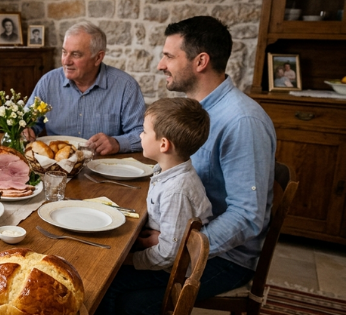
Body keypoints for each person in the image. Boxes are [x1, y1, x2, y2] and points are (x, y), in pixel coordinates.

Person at [97, 16, 276, 314]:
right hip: (183, 233)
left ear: (200, 61)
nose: (160, 64)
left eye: (168, 56)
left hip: (226, 258)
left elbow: (248, 216)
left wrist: (182, 244)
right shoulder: (193, 113)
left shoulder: (242, 122)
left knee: (107, 283)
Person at [100, 97, 213, 313]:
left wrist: (129, 260)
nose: (140, 136)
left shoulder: (176, 190)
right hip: (162, 253)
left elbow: (168, 254)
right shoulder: (167, 171)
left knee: (107, 282)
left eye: (144, 131)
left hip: (168, 270)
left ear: (163, 144)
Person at [23, 21, 145, 155]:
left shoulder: (125, 86)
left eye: (75, 55)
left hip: (105, 166)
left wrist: (117, 143)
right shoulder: (48, 82)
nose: (66, 61)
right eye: (64, 52)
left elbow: (142, 135)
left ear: (98, 57)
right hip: (56, 167)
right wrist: (27, 129)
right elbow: (28, 121)